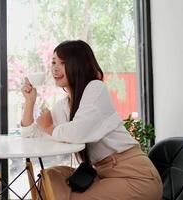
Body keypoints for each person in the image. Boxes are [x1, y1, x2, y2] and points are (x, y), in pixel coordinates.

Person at [20, 40, 162, 200]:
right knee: (48, 179)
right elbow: (30, 133)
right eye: (53, 62)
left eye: (63, 62)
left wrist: (50, 128)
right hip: (100, 174)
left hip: (134, 177)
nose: (55, 68)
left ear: (79, 64)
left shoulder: (95, 88)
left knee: (61, 195)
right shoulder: (64, 105)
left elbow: (77, 132)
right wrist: (30, 102)